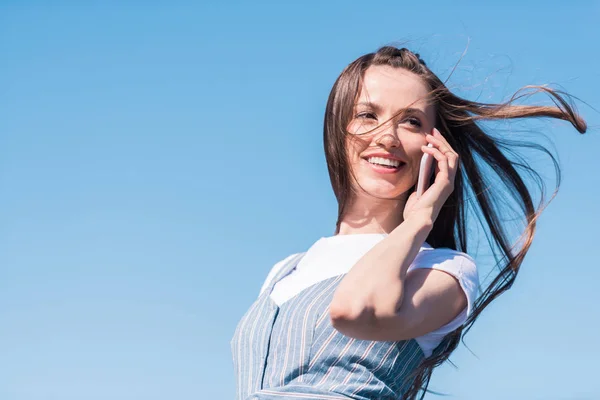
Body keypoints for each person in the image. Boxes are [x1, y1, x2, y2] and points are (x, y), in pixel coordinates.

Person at [230, 46, 587, 400]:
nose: (387, 137)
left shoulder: (444, 271)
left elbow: (353, 311)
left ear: (434, 147)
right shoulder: (285, 270)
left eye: (411, 121)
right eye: (368, 115)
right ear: (337, 129)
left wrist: (418, 221)